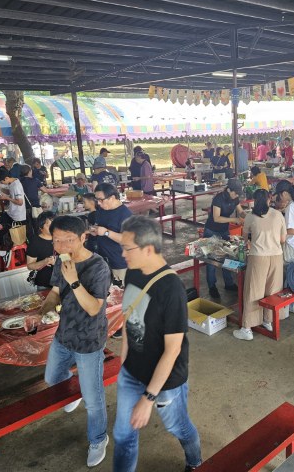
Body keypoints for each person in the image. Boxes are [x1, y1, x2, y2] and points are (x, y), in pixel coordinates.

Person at [113, 216, 201, 471]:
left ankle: (195, 461)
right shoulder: (133, 271)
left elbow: (172, 350)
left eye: (127, 248)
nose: (122, 254)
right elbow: (130, 315)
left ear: (148, 249)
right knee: (123, 435)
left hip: (165, 381)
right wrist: (124, 358)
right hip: (132, 371)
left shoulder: (171, 289)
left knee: (177, 426)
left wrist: (148, 398)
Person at [36, 216, 112, 467]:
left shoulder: (99, 267)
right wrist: (42, 311)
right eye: (57, 240)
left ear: (83, 238)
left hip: (89, 339)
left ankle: (99, 439)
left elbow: (93, 308)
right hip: (64, 333)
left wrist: (74, 281)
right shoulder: (61, 260)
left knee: (93, 400)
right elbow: (55, 292)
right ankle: (74, 392)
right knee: (52, 378)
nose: (62, 246)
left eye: (68, 240)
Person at [234, 189, 286, 340]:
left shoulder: (250, 217)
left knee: (253, 291)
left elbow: (245, 240)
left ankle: (247, 328)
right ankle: (268, 320)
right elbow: (283, 239)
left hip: (258, 257)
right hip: (276, 257)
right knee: (272, 290)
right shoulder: (278, 214)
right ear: (269, 199)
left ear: (254, 201)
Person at [203, 179, 245, 299]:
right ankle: (212, 286)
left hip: (224, 230)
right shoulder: (218, 199)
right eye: (235, 193)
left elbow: (241, 211)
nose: (236, 195)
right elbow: (216, 218)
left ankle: (229, 283)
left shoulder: (235, 198)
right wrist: (234, 220)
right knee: (211, 260)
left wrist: (248, 216)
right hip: (211, 230)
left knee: (227, 256)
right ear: (229, 190)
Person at [91, 183, 132, 288]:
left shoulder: (125, 214)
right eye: (96, 200)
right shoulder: (102, 210)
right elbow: (99, 226)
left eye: (101, 200)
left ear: (112, 198)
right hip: (102, 260)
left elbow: (127, 240)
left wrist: (106, 232)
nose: (98, 203)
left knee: (118, 292)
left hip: (118, 262)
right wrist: (95, 230)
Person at [275, 181, 294, 315]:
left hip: (291, 247)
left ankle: (285, 309)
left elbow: (292, 230)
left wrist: (278, 234)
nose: (279, 198)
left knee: (286, 277)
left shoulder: (291, 207)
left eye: (279, 195)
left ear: (284, 193)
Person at [0, 166, 26, 240]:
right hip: (12, 212)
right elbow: (10, 192)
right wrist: (0, 188)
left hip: (18, 216)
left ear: (6, 178)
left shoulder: (16, 186)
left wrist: (6, 198)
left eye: (1, 182)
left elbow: (20, 202)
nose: (2, 183)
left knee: (17, 237)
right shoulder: (12, 182)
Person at [26, 211, 57, 289]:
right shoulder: (35, 242)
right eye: (49, 225)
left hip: (62, 282)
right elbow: (30, 266)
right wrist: (45, 261)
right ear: (41, 227)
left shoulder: (60, 238)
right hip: (44, 283)